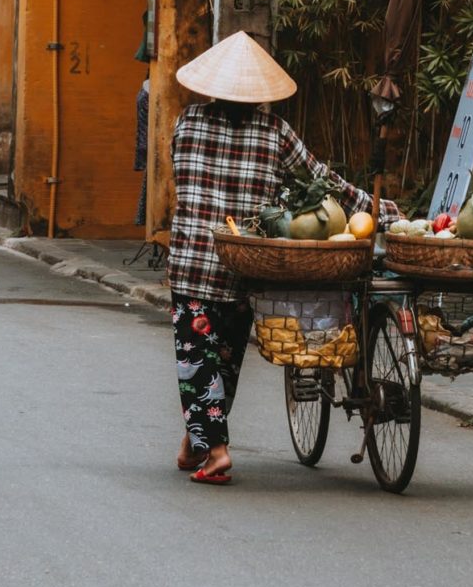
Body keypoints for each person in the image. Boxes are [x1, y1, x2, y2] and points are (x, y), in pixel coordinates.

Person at [169, 30, 398, 486]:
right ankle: (196, 441)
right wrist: (377, 211)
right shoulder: (275, 133)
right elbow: (321, 181)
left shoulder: (188, 122)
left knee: (197, 359)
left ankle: (215, 451)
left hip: (194, 261)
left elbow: (179, 173)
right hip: (246, 265)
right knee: (226, 358)